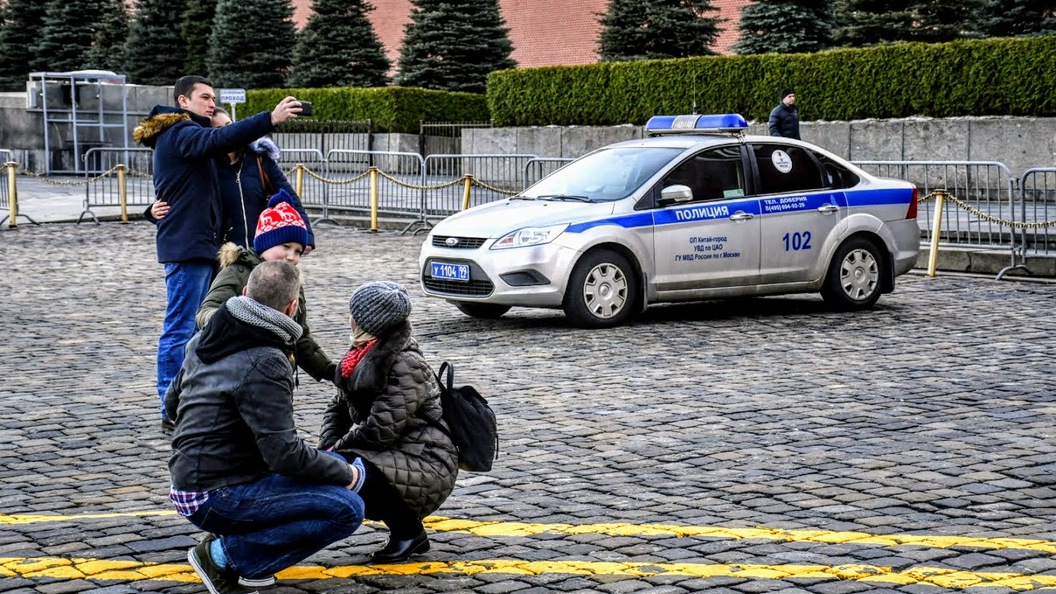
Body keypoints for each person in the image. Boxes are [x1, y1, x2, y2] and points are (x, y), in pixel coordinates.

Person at [166, 259, 366, 594]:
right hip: (215, 492)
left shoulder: (205, 338)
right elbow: (284, 454)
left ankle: (246, 555)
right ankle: (224, 555)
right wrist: (347, 473)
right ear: (293, 307)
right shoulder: (266, 358)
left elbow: (172, 406)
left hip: (189, 480)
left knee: (322, 481)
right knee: (346, 508)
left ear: (245, 293)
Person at [136, 75, 306, 432]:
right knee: (181, 326)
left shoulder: (203, 144)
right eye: (204, 97)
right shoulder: (181, 132)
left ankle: (202, 397)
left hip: (210, 248)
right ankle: (171, 405)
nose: (210, 103)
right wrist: (268, 119)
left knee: (203, 326)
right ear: (183, 101)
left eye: (214, 97)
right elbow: (217, 138)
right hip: (191, 249)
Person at [319, 281, 459, 564]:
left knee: (351, 468)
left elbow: (381, 430)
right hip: (397, 451)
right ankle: (407, 530)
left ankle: (409, 532)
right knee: (334, 464)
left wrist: (336, 454)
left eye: (353, 313)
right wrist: (326, 448)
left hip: (427, 459)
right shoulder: (359, 355)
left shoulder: (405, 363)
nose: (349, 318)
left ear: (367, 321)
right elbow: (338, 409)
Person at [196, 190, 335, 383]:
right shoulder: (237, 272)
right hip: (234, 372)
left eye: (298, 251)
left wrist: (329, 371)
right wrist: (233, 319)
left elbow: (299, 335)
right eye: (285, 247)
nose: (291, 256)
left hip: (277, 373)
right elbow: (205, 312)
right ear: (265, 244)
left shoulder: (292, 282)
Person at [149, 108, 315, 254]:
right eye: (219, 129)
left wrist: (306, 233)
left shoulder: (259, 159)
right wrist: (152, 211)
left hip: (263, 248)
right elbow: (185, 196)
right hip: (224, 255)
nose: (228, 131)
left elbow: (289, 197)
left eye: (230, 124)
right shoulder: (206, 166)